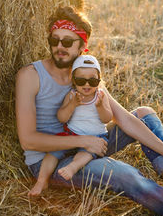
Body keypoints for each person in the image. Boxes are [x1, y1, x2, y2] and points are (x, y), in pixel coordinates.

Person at [16, 6, 163, 216]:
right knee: (122, 174)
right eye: (54, 40)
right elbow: (28, 141)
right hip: (50, 162)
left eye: (67, 42)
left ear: (83, 46)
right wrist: (85, 141)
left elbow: (125, 120)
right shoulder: (30, 75)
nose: (59, 47)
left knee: (144, 115)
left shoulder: (86, 76)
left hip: (89, 146)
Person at [28, 55, 113, 196]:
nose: (87, 85)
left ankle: (73, 167)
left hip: (95, 137)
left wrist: (100, 107)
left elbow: (107, 119)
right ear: (74, 81)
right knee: (52, 153)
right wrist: (72, 104)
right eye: (81, 80)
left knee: (85, 154)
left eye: (92, 80)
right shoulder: (71, 95)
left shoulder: (101, 96)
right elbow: (62, 117)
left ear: (98, 80)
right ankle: (41, 181)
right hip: (71, 134)